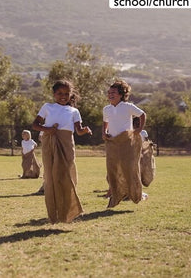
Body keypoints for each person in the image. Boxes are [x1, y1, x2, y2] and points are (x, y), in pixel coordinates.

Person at [32, 80, 92, 223]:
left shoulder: (74, 111)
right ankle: (54, 214)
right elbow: (35, 125)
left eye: (66, 94)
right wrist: (48, 130)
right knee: (51, 177)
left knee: (65, 176)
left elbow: (78, 130)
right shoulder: (47, 107)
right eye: (59, 93)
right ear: (54, 94)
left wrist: (85, 130)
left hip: (66, 144)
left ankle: (69, 211)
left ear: (70, 95)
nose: (63, 96)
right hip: (49, 143)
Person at [102, 79, 146, 208]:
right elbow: (105, 123)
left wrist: (139, 129)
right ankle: (115, 196)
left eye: (113, 92)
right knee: (112, 170)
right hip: (112, 143)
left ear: (121, 94)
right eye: (109, 92)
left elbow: (142, 114)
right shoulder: (106, 109)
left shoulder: (128, 107)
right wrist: (104, 133)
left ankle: (137, 194)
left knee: (129, 169)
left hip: (127, 142)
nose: (110, 94)